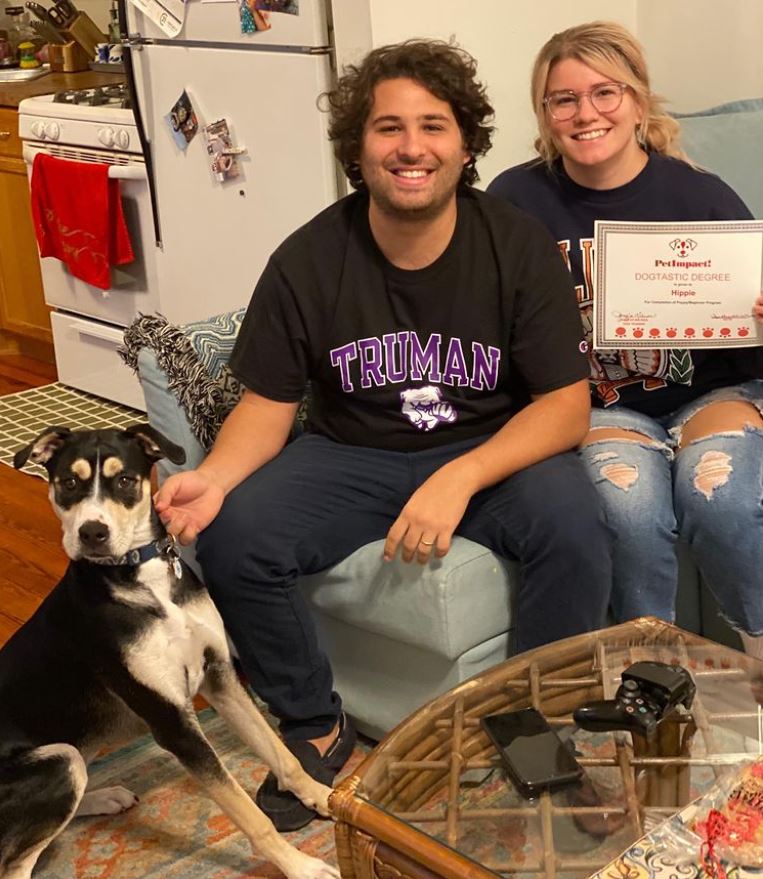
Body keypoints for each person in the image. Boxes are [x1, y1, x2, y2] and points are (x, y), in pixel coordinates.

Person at [155, 39, 612, 831]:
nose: (410, 147)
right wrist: (217, 479)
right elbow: (268, 403)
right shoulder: (307, 259)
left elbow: (564, 407)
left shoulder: (514, 245)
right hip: (351, 453)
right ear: (357, 148)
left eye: (433, 126)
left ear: (463, 145)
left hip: (490, 450)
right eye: (387, 127)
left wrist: (459, 475)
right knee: (233, 537)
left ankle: (534, 727)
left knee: (575, 527)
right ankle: (312, 726)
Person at [488, 21, 763, 656]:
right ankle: (653, 681)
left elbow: (749, 336)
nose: (586, 113)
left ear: (638, 102)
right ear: (545, 112)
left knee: (718, 498)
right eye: (565, 99)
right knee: (630, 513)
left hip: (708, 394)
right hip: (598, 408)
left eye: (605, 92)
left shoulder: (700, 194)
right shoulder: (514, 199)